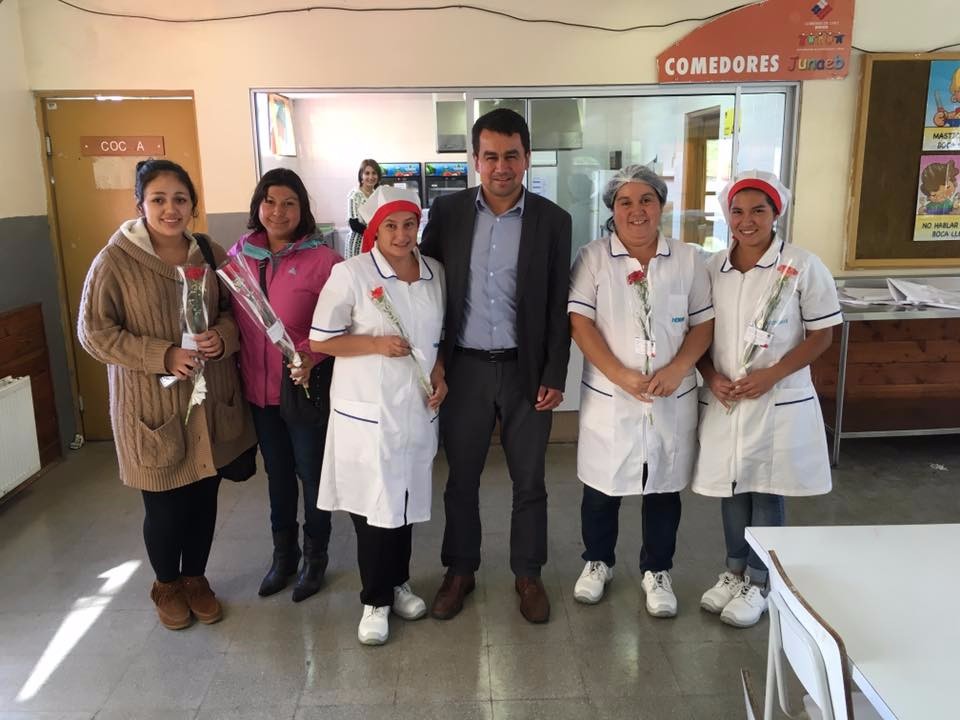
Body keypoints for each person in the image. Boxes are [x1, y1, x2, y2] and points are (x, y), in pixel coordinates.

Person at [77, 159, 256, 630]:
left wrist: (222, 336)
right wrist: (163, 354)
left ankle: (196, 578)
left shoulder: (209, 252)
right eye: (158, 199)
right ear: (141, 205)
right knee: (164, 503)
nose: (170, 209)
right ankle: (166, 583)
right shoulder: (114, 261)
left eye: (180, 199)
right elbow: (94, 333)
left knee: (204, 495)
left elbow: (239, 315)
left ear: (193, 205)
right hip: (153, 406)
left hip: (209, 401)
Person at [420, 108, 572, 624]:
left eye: (511, 155)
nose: (501, 166)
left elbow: (558, 304)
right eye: (491, 156)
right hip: (464, 370)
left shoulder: (553, 221)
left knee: (530, 479)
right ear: (475, 160)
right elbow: (426, 289)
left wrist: (555, 372)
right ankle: (460, 570)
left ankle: (527, 575)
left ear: (526, 158)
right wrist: (433, 363)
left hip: (526, 371)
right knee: (461, 477)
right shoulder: (448, 214)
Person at [692, 170, 841, 628]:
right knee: (730, 486)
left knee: (766, 489)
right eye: (737, 211)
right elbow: (697, 334)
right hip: (726, 398)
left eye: (759, 210)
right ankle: (734, 571)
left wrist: (772, 375)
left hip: (776, 399)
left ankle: (761, 580)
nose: (747, 220)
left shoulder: (800, 265)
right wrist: (711, 376)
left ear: (777, 214)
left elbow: (823, 334)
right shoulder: (710, 268)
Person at [568, 165, 714, 618]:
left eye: (646, 200)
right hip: (613, 394)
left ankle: (657, 569)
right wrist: (618, 374)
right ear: (612, 209)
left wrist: (680, 367)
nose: (636, 211)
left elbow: (703, 323)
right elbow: (580, 322)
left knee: (664, 488)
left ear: (661, 205)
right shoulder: (593, 257)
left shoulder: (688, 259)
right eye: (625, 202)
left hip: (670, 393)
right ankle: (597, 561)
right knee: (601, 486)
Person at [309, 186, 447, 645]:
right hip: (367, 412)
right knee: (373, 505)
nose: (402, 234)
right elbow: (320, 341)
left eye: (410, 224)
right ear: (374, 229)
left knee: (403, 501)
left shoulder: (435, 273)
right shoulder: (350, 274)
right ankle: (374, 599)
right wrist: (375, 343)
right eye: (391, 225)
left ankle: (399, 581)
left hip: (416, 408)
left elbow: (436, 342)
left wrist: (440, 377)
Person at [229, 168, 342, 602]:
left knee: (311, 477)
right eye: (270, 201)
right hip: (258, 393)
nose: (278, 211)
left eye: (289, 203)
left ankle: (316, 557)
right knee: (277, 477)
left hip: (304, 390)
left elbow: (345, 329)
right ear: (258, 205)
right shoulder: (239, 258)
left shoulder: (325, 262)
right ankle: (284, 556)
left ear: (303, 209)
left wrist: (315, 355)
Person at [346, 159, 381, 258]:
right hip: (358, 243)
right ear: (361, 175)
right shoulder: (355, 195)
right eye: (367, 173)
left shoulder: (377, 194)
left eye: (374, 173)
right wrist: (376, 234)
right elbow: (354, 224)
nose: (371, 177)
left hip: (374, 242)